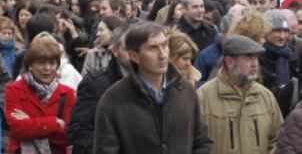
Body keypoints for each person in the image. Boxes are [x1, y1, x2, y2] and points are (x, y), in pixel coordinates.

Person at [94, 22, 213, 154]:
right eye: (153, 48)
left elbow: (201, 141)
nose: (163, 55)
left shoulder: (186, 90)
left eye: (165, 45)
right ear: (134, 56)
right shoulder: (113, 100)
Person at [197, 35, 283, 154]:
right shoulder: (203, 96)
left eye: (256, 58)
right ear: (229, 62)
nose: (255, 64)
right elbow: (195, 143)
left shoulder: (265, 96)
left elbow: (278, 139)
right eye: (248, 57)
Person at [4, 32, 76, 154]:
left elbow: (68, 137)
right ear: (30, 65)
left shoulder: (67, 93)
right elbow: (18, 129)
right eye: (41, 63)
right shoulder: (14, 90)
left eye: (52, 63)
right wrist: (55, 123)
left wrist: (30, 121)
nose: (47, 68)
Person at [68, 24, 130, 154]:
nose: (136, 54)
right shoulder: (96, 84)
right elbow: (79, 131)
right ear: (115, 50)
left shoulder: (156, 83)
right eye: (129, 48)